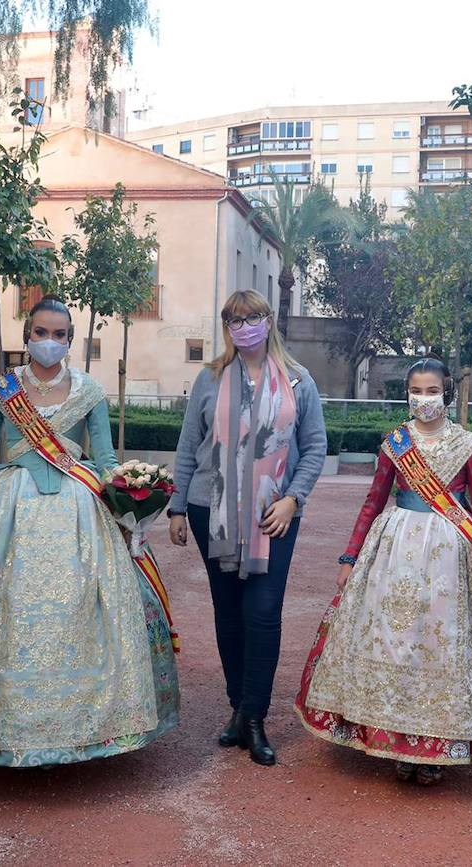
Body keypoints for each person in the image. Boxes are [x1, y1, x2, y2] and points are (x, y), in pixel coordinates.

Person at [0, 297, 178, 766]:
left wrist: (130, 506)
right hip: (6, 512)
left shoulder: (90, 391)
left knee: (80, 609)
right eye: (41, 332)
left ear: (71, 339)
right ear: (27, 335)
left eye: (60, 334)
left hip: (79, 513)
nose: (50, 341)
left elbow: (106, 462)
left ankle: (90, 728)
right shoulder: (2, 391)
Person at [295, 358, 472, 785]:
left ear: (446, 392)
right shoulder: (395, 443)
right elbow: (373, 503)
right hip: (392, 553)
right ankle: (395, 741)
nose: (423, 399)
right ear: (407, 393)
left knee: (439, 644)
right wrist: (350, 560)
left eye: (431, 391)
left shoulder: (468, 444)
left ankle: (438, 747)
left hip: (452, 555)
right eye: (416, 391)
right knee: (395, 641)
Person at [167, 289, 327, 766]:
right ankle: (238, 708)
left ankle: (255, 718)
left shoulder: (298, 381)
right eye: (235, 320)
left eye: (253, 317)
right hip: (208, 509)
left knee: (263, 611)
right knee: (228, 611)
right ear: (226, 327)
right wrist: (177, 506)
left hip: (272, 515)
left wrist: (293, 498)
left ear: (269, 320)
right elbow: (188, 443)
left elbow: (314, 446)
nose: (245, 327)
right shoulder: (209, 378)